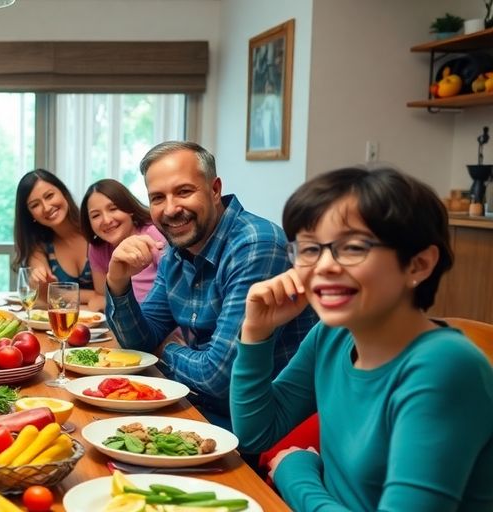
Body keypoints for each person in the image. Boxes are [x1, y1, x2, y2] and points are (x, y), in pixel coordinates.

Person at [233, 166, 493, 511]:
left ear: (418, 264)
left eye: (353, 247)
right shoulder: (331, 336)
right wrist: (256, 332)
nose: (324, 265)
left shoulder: (444, 365)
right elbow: (256, 433)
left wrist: (295, 474)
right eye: (310, 249)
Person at [104, 141, 316, 427]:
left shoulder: (255, 245)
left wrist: (164, 350)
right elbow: (138, 342)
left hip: (255, 430)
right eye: (157, 198)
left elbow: (219, 378)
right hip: (195, 408)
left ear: (215, 190)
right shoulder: (177, 249)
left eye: (184, 191)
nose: (170, 209)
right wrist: (118, 281)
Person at [79, 178, 167, 312]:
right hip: (124, 324)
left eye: (113, 209)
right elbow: (102, 295)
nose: (106, 220)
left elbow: (176, 290)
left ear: (129, 209)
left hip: (160, 324)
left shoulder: (153, 234)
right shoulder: (97, 248)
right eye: (96, 215)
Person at [13, 168, 95, 305]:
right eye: (35, 205)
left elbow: (111, 294)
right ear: (30, 215)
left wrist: (62, 293)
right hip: (67, 323)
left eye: (49, 196)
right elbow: (47, 295)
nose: (46, 207)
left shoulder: (95, 229)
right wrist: (94, 296)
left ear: (63, 192)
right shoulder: (39, 246)